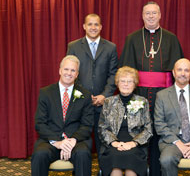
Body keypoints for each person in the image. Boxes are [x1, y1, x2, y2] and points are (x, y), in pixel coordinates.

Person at [119, 1, 183, 176]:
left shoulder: (171, 38)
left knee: (159, 135)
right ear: (142, 16)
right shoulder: (132, 38)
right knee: (138, 133)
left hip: (164, 96)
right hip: (138, 95)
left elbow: (178, 71)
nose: (151, 16)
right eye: (147, 13)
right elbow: (126, 71)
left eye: (154, 13)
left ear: (160, 15)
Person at [31, 55, 94, 176]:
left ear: (77, 74)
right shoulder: (45, 93)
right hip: (51, 140)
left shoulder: (85, 95)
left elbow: (87, 125)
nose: (69, 73)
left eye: (73, 70)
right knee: (40, 154)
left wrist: (72, 141)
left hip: (75, 141)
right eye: (66, 69)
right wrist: (58, 142)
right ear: (60, 70)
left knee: (83, 153)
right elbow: (40, 123)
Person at [66, 13, 118, 155]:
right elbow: (71, 74)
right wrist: (85, 96)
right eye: (90, 24)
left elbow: (113, 74)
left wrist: (104, 96)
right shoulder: (74, 46)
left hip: (103, 103)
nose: (93, 27)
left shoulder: (110, 47)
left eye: (96, 24)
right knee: (80, 141)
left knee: (104, 141)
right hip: (80, 101)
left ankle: (103, 170)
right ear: (84, 26)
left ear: (101, 27)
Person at [98, 66, 153, 176]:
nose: (126, 84)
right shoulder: (109, 102)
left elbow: (148, 130)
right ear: (117, 83)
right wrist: (114, 143)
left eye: (129, 81)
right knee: (114, 164)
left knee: (131, 165)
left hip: (135, 145)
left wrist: (133, 143)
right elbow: (102, 128)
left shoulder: (143, 102)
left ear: (135, 84)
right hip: (113, 145)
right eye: (122, 81)